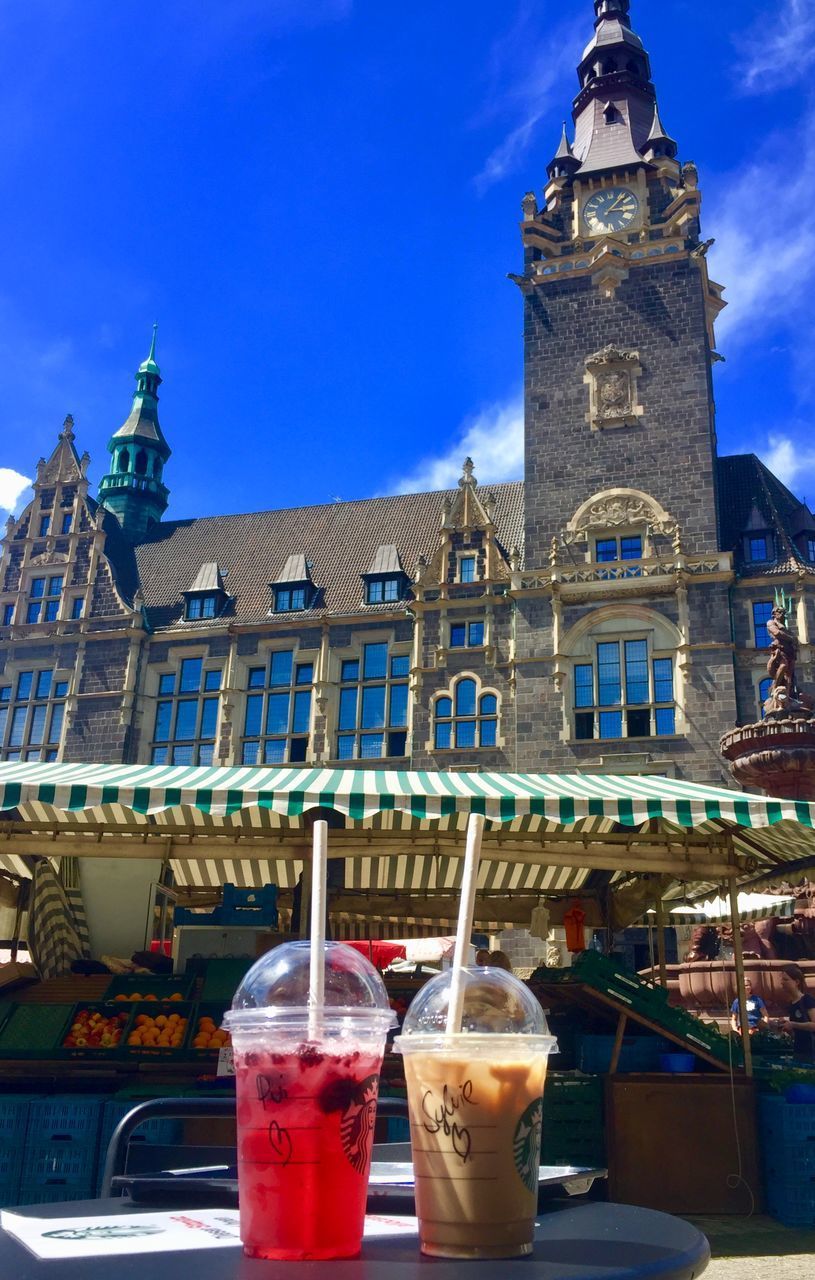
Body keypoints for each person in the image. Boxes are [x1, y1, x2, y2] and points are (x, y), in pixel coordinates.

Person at [780, 964, 815, 1062]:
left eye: (786, 980)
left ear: (796, 982)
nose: (782, 983)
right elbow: (797, 1031)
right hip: (799, 1050)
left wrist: (793, 1024)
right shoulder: (791, 1003)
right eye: (782, 980)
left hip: (811, 1051)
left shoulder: (807, 1000)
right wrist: (788, 1029)